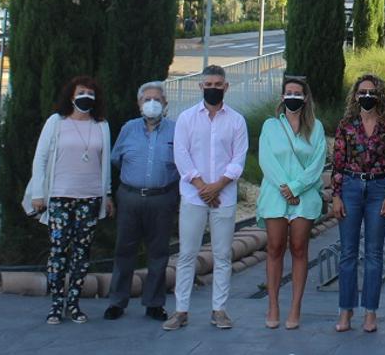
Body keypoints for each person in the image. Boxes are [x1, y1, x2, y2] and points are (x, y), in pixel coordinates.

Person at [164, 64, 249, 332]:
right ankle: (181, 311)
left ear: (226, 87)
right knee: (187, 254)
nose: (213, 89)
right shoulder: (187, 118)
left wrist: (218, 186)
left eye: (217, 85)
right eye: (208, 85)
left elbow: (238, 159)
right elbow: (181, 154)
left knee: (223, 255)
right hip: (193, 196)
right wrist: (203, 187)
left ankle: (219, 310)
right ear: (201, 87)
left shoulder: (236, 120)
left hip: (223, 196)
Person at [24, 76, 114, 325]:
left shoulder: (101, 125)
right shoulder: (56, 122)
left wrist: (107, 194)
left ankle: (73, 303)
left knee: (81, 252)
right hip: (60, 196)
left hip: (90, 197)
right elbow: (40, 158)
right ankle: (56, 304)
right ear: (71, 96)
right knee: (58, 251)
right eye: (81, 92)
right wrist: (39, 194)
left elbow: (104, 162)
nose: (86, 96)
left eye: (91, 93)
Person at [331, 74, 385, 333]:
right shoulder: (346, 125)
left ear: (380, 95)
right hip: (350, 187)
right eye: (362, 92)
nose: (367, 96)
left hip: (379, 188)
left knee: (374, 254)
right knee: (348, 252)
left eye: (371, 92)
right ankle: (345, 310)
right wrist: (336, 195)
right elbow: (338, 162)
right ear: (355, 95)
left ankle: (370, 312)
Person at [255, 75, 327, 330]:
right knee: (274, 247)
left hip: (304, 195)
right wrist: (285, 188)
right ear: (283, 96)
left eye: (298, 93)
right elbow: (266, 160)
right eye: (289, 93)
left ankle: (295, 306)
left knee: (299, 248)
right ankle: (273, 304)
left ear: (305, 98)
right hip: (276, 193)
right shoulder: (270, 126)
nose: (293, 97)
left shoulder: (316, 128)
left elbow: (318, 163)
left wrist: (296, 187)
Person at [103, 81, 179, 321]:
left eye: (157, 99)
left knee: (158, 253)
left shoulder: (176, 130)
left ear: (165, 103)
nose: (152, 103)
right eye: (147, 99)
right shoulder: (128, 129)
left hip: (162, 198)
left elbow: (183, 163)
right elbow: (116, 159)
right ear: (139, 103)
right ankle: (117, 301)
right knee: (124, 250)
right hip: (130, 197)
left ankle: (154, 303)